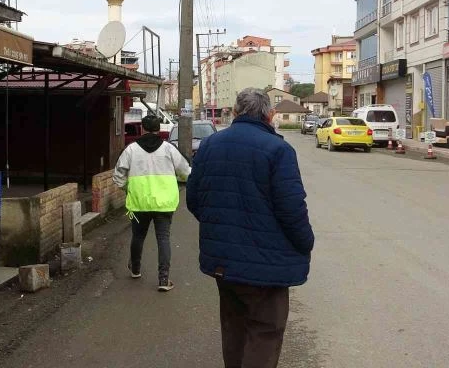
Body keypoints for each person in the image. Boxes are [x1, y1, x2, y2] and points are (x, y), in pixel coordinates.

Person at [187, 88, 314, 368]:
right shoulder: (279, 150)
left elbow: (194, 200)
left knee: (234, 328)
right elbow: (292, 210)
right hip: (265, 268)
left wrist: (222, 230)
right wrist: (306, 243)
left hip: (223, 262)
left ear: (234, 112)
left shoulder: (210, 145)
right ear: (270, 115)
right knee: (265, 331)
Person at [113, 114, 191, 292]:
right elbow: (186, 172)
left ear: (142, 128)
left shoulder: (131, 150)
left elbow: (118, 176)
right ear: (159, 129)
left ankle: (135, 269)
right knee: (163, 238)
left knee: (138, 236)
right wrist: (178, 179)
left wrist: (127, 188)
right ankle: (163, 279)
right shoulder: (169, 149)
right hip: (164, 204)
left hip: (138, 203)